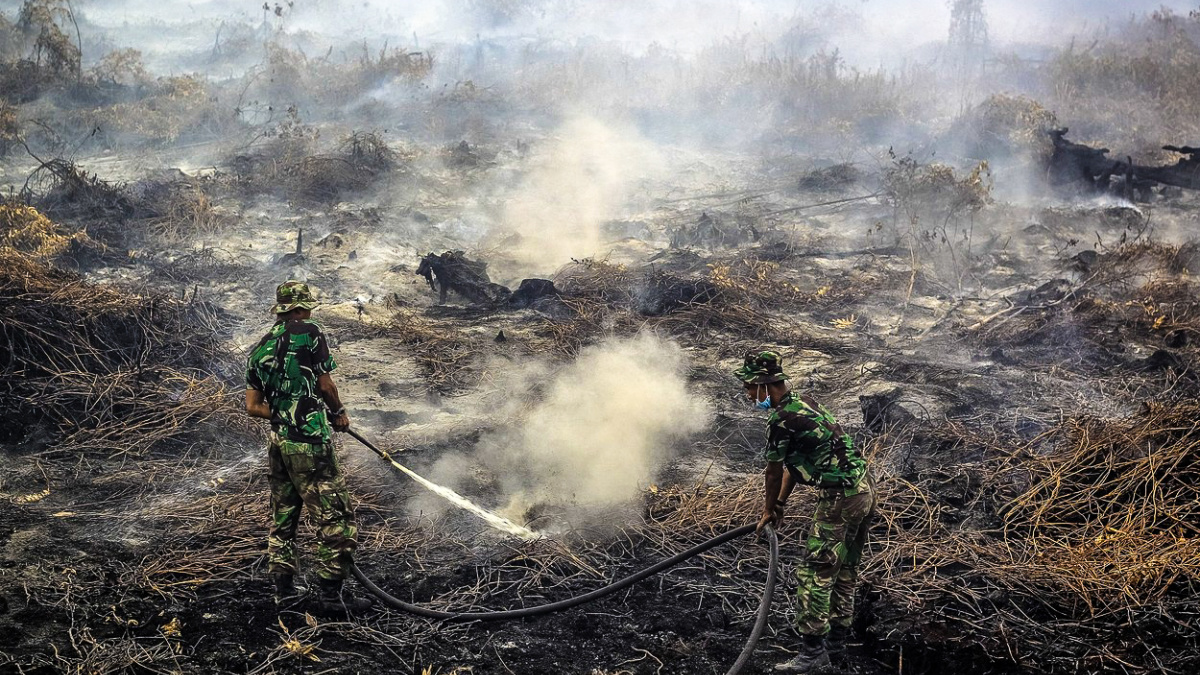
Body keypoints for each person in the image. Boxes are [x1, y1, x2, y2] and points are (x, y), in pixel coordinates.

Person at [734, 351, 877, 673]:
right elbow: (793, 468)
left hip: (841, 497)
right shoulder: (806, 402)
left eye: (748, 387)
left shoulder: (781, 419)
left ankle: (813, 654)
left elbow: (773, 471)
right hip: (864, 490)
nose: (747, 395)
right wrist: (779, 507)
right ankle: (838, 643)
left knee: (815, 573)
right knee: (843, 570)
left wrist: (766, 509)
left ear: (764, 386)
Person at [245, 280, 370, 614]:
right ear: (302, 307)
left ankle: (283, 593)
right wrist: (338, 414)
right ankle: (330, 597)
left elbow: (253, 406)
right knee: (337, 519)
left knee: (283, 517)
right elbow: (326, 385)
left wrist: (287, 413)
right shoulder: (310, 331)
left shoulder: (261, 347)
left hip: (279, 442)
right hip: (309, 443)